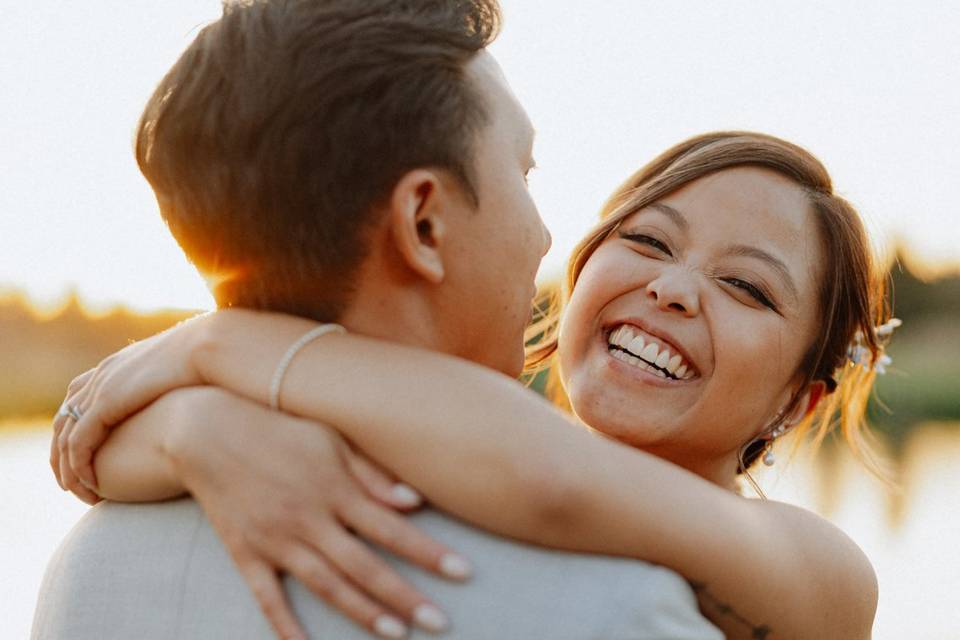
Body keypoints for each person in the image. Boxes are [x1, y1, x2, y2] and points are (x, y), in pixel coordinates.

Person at [34, 1, 723, 639]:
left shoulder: (85, 562)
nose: (545, 238)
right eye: (525, 172)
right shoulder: (615, 604)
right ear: (423, 223)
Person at [50, 129, 892, 640]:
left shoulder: (823, 572)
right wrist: (194, 431)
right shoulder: (460, 461)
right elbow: (88, 453)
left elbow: (558, 482)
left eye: (747, 288)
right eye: (649, 241)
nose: (673, 289)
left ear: (799, 399)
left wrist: (217, 342)